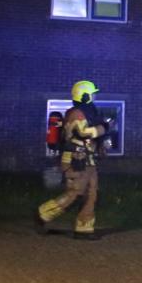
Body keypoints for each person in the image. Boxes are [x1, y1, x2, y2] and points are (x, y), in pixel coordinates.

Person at [36, 80, 113, 240]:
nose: (94, 97)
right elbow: (84, 132)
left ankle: (84, 228)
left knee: (91, 193)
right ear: (84, 96)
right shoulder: (76, 113)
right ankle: (43, 214)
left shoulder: (90, 112)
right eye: (92, 94)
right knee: (75, 192)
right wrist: (104, 128)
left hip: (88, 160)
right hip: (75, 160)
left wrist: (102, 141)